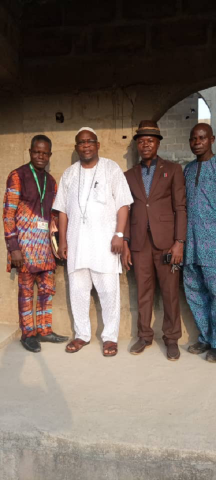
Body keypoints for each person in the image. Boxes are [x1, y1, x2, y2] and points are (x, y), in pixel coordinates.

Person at [53, 127, 133, 356]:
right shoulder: (69, 173)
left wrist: (119, 235)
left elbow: (123, 205)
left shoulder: (111, 168)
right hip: (77, 244)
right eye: (81, 142)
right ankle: (82, 335)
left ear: (97, 145)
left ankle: (110, 338)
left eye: (90, 141)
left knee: (109, 291)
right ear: (76, 147)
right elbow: (63, 211)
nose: (86, 145)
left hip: (105, 245)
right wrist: (63, 241)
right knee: (77, 291)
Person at [122, 121, 187, 360]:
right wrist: (126, 242)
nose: (145, 144)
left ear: (158, 143)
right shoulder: (129, 175)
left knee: (170, 293)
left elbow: (180, 207)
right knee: (143, 292)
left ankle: (171, 339)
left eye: (150, 140)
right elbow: (126, 210)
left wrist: (179, 241)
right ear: (137, 145)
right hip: (139, 244)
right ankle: (144, 336)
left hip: (167, 242)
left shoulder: (173, 170)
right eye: (141, 141)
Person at [3, 135, 68, 353]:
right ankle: (28, 333)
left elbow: (55, 217)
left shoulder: (51, 181)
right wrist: (14, 249)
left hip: (46, 248)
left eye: (45, 153)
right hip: (24, 248)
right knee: (26, 291)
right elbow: (8, 214)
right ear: (31, 152)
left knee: (47, 290)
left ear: (50, 155)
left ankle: (45, 329)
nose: (40, 156)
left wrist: (59, 246)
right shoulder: (17, 175)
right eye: (36, 152)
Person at [184, 123, 216, 363]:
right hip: (190, 245)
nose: (197, 142)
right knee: (194, 292)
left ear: (212, 139)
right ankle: (205, 337)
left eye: (202, 138)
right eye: (194, 139)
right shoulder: (188, 169)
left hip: (212, 245)